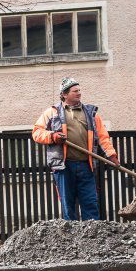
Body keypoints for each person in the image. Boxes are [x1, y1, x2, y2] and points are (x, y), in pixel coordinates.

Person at [31, 78, 119, 221]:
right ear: (64, 94)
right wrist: (53, 136)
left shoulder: (91, 114)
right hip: (64, 166)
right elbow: (36, 133)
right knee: (68, 205)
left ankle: (92, 235)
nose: (79, 93)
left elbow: (103, 137)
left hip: (86, 165)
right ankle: (70, 238)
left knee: (90, 203)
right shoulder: (52, 113)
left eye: (79, 90)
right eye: (75, 91)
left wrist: (111, 154)